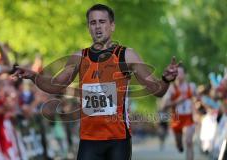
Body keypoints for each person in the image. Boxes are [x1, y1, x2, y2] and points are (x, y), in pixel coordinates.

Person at [13, 4, 180, 160]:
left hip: (118, 140)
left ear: (112, 26)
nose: (98, 26)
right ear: (88, 28)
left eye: (102, 21)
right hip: (88, 140)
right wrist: (34, 76)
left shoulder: (126, 55)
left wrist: (166, 79)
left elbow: (158, 90)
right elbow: (54, 85)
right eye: (93, 22)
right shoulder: (79, 57)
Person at [162, 65, 196, 160]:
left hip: (188, 117)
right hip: (176, 119)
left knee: (189, 142)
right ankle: (179, 145)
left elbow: (198, 99)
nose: (179, 75)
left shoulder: (191, 87)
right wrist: (177, 101)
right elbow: (164, 106)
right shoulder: (172, 88)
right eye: (177, 73)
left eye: (181, 73)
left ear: (185, 74)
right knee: (179, 145)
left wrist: (196, 105)